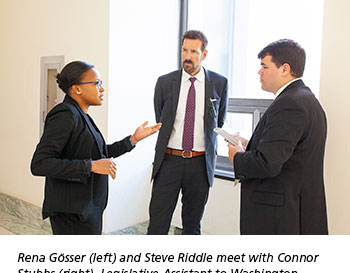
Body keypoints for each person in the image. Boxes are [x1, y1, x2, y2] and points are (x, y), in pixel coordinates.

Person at [31, 61, 161, 235]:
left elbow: (99, 154)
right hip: (72, 212)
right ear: (77, 89)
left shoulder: (80, 114)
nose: (102, 89)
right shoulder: (65, 114)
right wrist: (90, 166)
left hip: (87, 208)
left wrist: (133, 139)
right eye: (97, 83)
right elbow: (40, 163)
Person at [228, 39, 328, 235]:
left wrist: (236, 156)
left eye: (264, 66)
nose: (259, 72)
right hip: (297, 207)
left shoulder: (289, 104)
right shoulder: (305, 99)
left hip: (278, 215)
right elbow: (289, 152)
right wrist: (249, 145)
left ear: (285, 69)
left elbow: (267, 163)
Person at [147, 30, 228, 235]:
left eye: (193, 51)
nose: (187, 56)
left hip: (200, 164)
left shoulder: (219, 83)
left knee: (192, 226)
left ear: (204, 54)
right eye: (184, 50)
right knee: (157, 223)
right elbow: (161, 118)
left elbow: (219, 120)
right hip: (169, 162)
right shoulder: (165, 82)